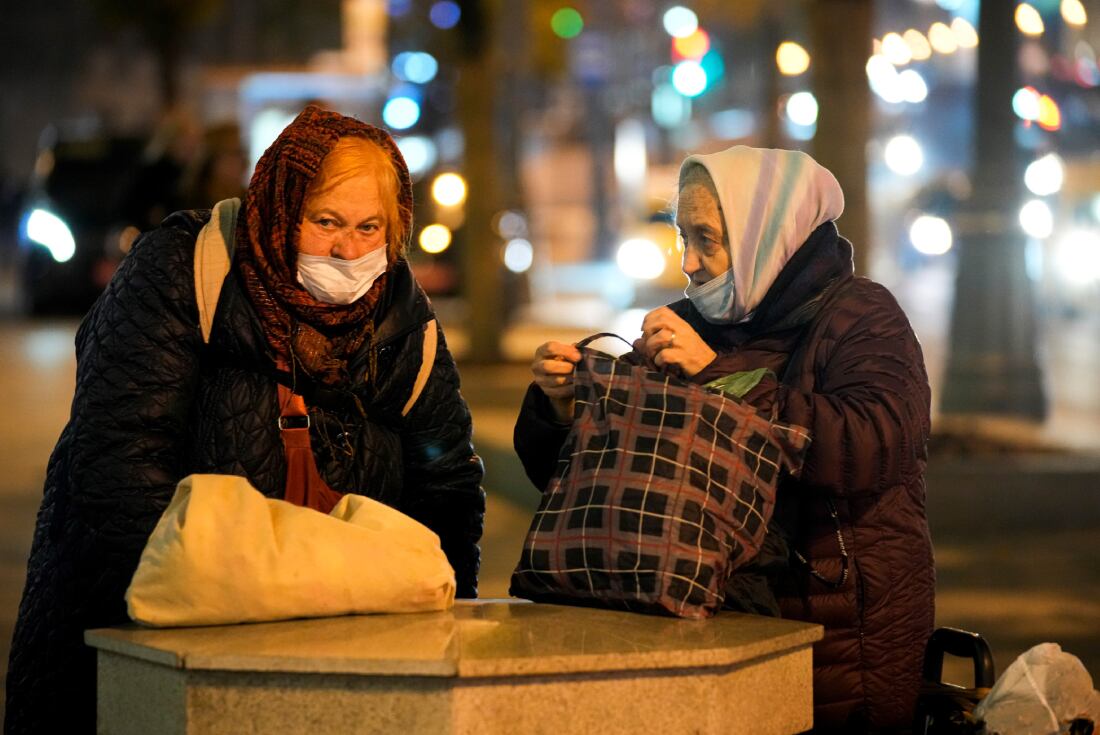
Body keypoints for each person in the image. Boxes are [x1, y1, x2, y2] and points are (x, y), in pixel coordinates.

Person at [6, 106, 485, 733]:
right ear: (282, 208)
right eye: (326, 222)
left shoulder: (404, 322)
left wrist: (443, 619)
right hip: (157, 644)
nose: (348, 249)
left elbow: (446, 478)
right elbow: (120, 459)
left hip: (346, 649)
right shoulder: (186, 270)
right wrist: (203, 617)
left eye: (371, 227)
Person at [514, 146, 934, 733]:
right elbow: (602, 478)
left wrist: (718, 379)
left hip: (835, 635)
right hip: (700, 625)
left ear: (769, 230)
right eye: (681, 236)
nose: (688, 260)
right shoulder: (691, 322)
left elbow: (876, 445)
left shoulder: (862, 316)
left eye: (707, 238)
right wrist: (560, 408)